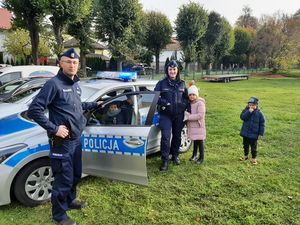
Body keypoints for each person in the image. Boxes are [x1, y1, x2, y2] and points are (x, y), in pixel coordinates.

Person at [27, 48, 101, 225]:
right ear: (60, 63)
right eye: (68, 61)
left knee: (75, 175)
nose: (72, 65)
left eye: (75, 62)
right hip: (62, 143)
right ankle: (59, 216)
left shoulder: (75, 84)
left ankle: (70, 201)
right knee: (63, 179)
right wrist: (54, 128)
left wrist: (93, 104)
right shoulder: (54, 84)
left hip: (76, 140)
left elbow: (76, 106)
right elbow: (34, 110)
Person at [154, 60, 188, 172]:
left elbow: (186, 98)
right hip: (166, 115)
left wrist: (183, 106)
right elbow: (155, 97)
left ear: (177, 70)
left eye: (174, 69)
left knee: (177, 136)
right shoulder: (161, 83)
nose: (172, 71)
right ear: (167, 70)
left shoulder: (182, 83)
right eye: (170, 69)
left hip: (179, 114)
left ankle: (175, 155)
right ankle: (165, 160)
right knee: (165, 137)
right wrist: (165, 103)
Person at [240, 97, 265, 165]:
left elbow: (262, 124)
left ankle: (254, 158)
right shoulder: (246, 110)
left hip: (254, 135)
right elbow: (242, 117)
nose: (251, 106)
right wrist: (248, 112)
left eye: (253, 105)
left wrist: (260, 133)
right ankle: (245, 156)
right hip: (245, 133)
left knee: (253, 147)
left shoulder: (260, 114)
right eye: (249, 105)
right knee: (245, 145)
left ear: (256, 105)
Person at [184, 85, 206, 165]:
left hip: (199, 126)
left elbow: (200, 115)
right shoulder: (190, 103)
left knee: (200, 141)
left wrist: (188, 117)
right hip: (192, 126)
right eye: (190, 95)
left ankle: (201, 157)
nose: (192, 96)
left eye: (193, 95)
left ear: (197, 95)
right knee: (195, 141)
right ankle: (194, 155)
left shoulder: (200, 103)